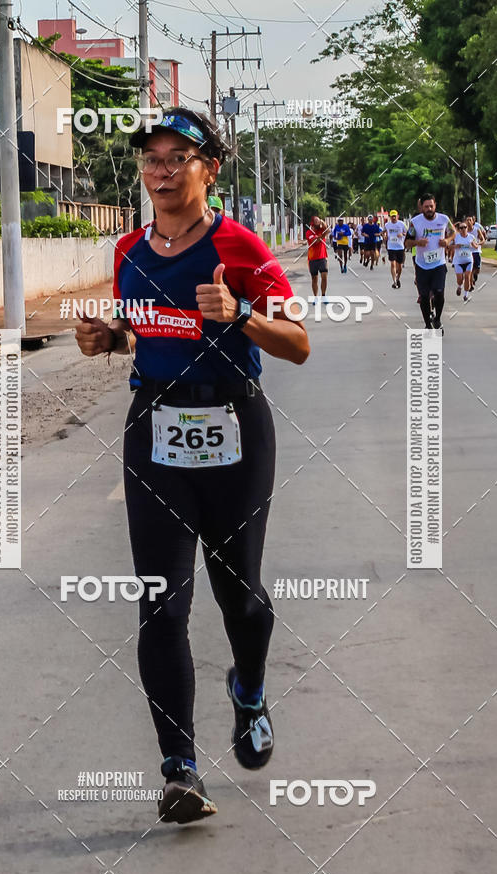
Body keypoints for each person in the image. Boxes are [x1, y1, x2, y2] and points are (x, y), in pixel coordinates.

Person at [74, 107, 309, 825]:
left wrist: (239, 314)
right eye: (153, 158)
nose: (163, 171)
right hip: (155, 431)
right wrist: (109, 338)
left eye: (180, 158)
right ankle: (179, 769)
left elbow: (298, 343)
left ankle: (250, 688)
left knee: (240, 598)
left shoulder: (240, 246)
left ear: (211, 168)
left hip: (236, 429)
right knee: (161, 602)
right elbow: (145, 333)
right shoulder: (128, 250)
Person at [405, 192, 455, 333]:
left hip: (439, 263)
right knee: (424, 296)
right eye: (426, 207)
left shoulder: (444, 219)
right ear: (422, 207)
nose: (429, 209)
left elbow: (453, 232)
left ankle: (437, 319)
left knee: (439, 293)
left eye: (431, 206)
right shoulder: (415, 222)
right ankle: (428, 324)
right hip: (422, 265)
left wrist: (447, 240)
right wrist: (417, 242)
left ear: (435, 206)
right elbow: (407, 242)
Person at [450, 221, 478, 301]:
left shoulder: (471, 237)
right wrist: (455, 246)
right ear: (459, 229)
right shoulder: (456, 237)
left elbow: (476, 247)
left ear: (467, 228)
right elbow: (449, 246)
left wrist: (473, 245)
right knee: (459, 279)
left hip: (468, 260)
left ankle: (466, 295)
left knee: (467, 276)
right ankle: (459, 286)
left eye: (465, 227)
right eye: (461, 228)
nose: (463, 229)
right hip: (458, 261)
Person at [305, 215, 329, 298]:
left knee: (324, 276)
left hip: (322, 258)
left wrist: (322, 221)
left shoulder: (321, 230)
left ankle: (323, 295)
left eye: (318, 222)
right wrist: (323, 235)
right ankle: (315, 297)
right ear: (312, 224)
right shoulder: (309, 233)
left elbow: (327, 229)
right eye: (316, 222)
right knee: (314, 278)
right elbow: (316, 241)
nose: (318, 224)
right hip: (312, 259)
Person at [384, 209, 407, 288]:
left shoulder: (402, 224)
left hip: (400, 247)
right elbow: (384, 232)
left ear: (397, 216)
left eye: (395, 216)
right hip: (391, 247)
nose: (393, 218)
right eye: (392, 216)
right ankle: (394, 281)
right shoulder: (387, 225)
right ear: (390, 217)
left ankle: (398, 279)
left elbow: (408, 233)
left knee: (399, 266)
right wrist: (384, 236)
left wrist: (402, 234)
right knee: (393, 264)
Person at [466, 216, 486, 288]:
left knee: (477, 269)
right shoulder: (465, 231)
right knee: (470, 269)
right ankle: (471, 284)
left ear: (473, 222)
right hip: (468, 252)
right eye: (467, 220)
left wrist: (478, 243)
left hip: (476, 251)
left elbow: (483, 240)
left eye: (470, 220)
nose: (468, 222)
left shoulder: (477, 230)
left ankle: (475, 275)